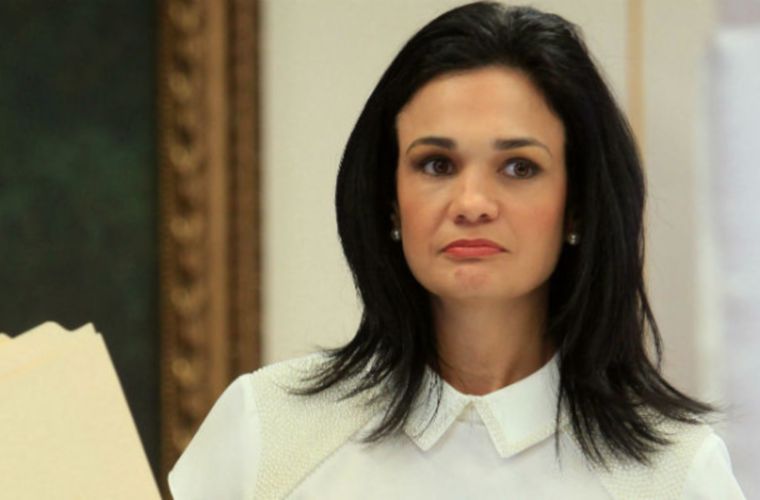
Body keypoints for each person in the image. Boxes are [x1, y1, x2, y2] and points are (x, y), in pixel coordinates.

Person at [168, 2, 745, 498]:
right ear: (389, 201)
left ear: (577, 207)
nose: (472, 203)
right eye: (437, 165)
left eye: (519, 167)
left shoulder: (675, 475)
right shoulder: (267, 431)